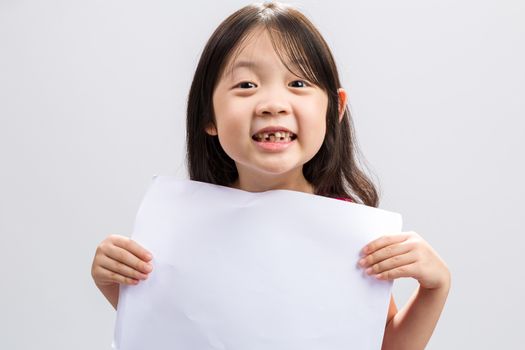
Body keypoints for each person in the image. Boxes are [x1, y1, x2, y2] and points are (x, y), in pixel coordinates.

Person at [91, 2, 451, 349]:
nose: (273, 103)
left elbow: (381, 345)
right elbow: (165, 330)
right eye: (246, 85)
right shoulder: (181, 231)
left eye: (298, 83)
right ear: (209, 117)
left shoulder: (346, 233)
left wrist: (435, 288)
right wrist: (114, 281)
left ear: (334, 109)